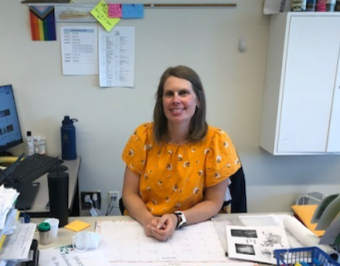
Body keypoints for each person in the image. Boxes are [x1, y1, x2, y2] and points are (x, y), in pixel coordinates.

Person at [122, 65, 241, 242]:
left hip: (194, 228)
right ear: (161, 101)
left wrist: (177, 218)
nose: (175, 100)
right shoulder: (143, 136)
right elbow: (129, 193)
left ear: (198, 100)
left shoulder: (216, 141)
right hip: (145, 228)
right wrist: (148, 220)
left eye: (183, 93)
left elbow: (214, 203)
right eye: (169, 94)